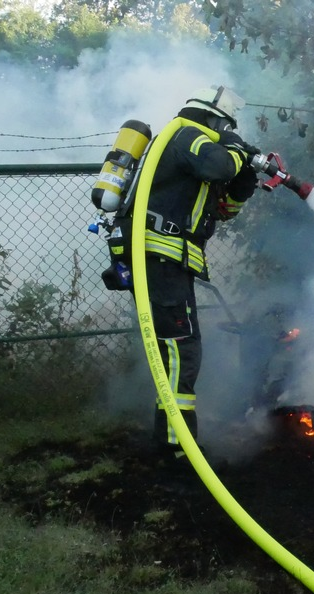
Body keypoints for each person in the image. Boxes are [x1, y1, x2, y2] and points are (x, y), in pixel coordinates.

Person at [118, 85, 261, 458]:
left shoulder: (194, 161)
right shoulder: (187, 135)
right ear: (215, 120)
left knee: (176, 351)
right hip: (159, 257)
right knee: (182, 350)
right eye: (226, 126)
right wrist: (236, 150)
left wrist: (244, 182)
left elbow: (222, 211)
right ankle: (177, 447)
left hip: (168, 262)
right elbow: (219, 164)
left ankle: (171, 440)